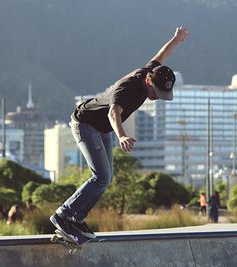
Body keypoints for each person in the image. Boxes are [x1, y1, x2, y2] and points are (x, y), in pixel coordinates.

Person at [50, 27, 189, 241]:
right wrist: (122, 136)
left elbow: (162, 55)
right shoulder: (127, 88)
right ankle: (64, 215)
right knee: (101, 176)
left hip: (102, 128)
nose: (156, 98)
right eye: (156, 93)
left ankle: (75, 219)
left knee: (106, 178)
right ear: (149, 82)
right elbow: (114, 113)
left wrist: (176, 40)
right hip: (85, 124)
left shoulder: (152, 71)